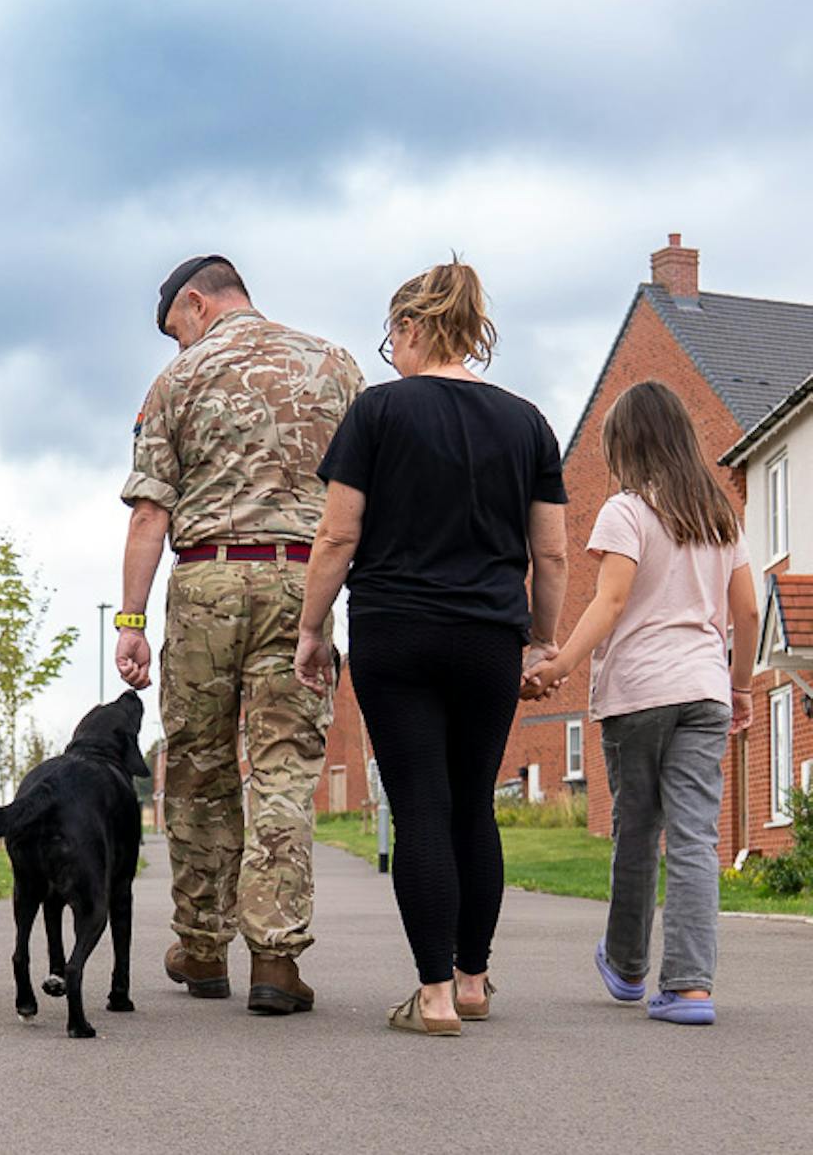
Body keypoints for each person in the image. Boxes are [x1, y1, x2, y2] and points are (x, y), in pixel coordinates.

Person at [296, 260, 569, 1037]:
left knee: (419, 803)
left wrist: (312, 630)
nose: (393, 353)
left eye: (393, 339)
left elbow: (337, 534)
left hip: (397, 631)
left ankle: (433, 996)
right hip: (489, 635)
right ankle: (473, 979)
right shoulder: (528, 423)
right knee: (472, 804)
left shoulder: (378, 413)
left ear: (412, 328)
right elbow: (549, 555)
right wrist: (540, 641)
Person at [118, 255, 363, 1015]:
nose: (177, 345)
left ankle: (200, 946)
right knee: (285, 769)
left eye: (176, 330)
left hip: (206, 583)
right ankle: (276, 959)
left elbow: (149, 513)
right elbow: (363, 499)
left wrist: (129, 621)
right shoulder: (336, 366)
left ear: (196, 302)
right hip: (304, 581)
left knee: (196, 766)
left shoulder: (177, 382)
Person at [522, 381, 758, 1026]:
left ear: (626, 447)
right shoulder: (721, 516)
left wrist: (560, 663)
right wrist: (739, 688)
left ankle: (628, 969)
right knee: (693, 836)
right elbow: (746, 611)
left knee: (636, 831)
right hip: (706, 692)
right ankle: (688, 987)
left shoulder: (625, 511)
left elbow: (612, 601)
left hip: (640, 694)